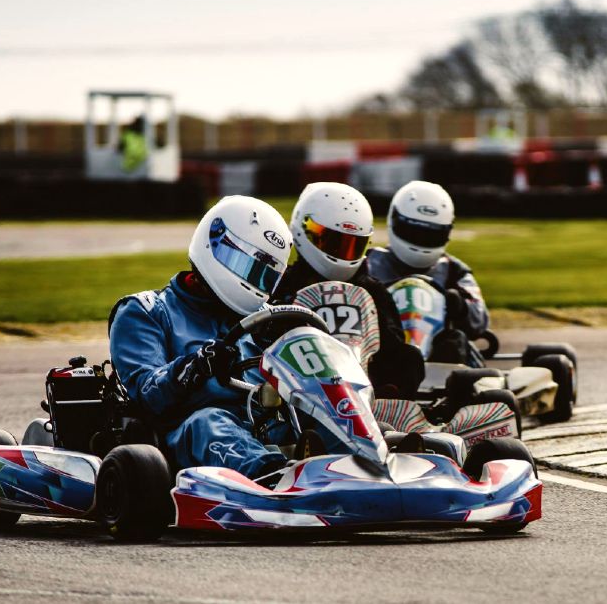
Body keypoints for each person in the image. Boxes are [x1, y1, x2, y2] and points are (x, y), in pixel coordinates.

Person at [109, 196, 292, 480]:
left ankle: (363, 463)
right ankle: (274, 480)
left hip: (261, 426)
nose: (254, 284)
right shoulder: (146, 311)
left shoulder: (269, 320)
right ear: (215, 246)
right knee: (209, 422)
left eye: (263, 276)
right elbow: (147, 395)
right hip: (183, 436)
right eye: (248, 268)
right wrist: (196, 366)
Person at [271, 182, 424, 399]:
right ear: (304, 229)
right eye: (333, 242)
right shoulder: (283, 287)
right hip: (297, 390)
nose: (341, 254)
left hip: (367, 393)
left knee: (410, 357)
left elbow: (393, 347)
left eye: (352, 245)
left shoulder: (373, 292)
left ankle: (380, 408)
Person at [366, 180, 489, 362]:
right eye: (413, 232)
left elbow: (479, 322)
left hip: (439, 361)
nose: (420, 241)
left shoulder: (454, 271)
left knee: (455, 341)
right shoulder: (369, 264)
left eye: (430, 235)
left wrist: (460, 306)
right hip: (381, 356)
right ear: (394, 221)